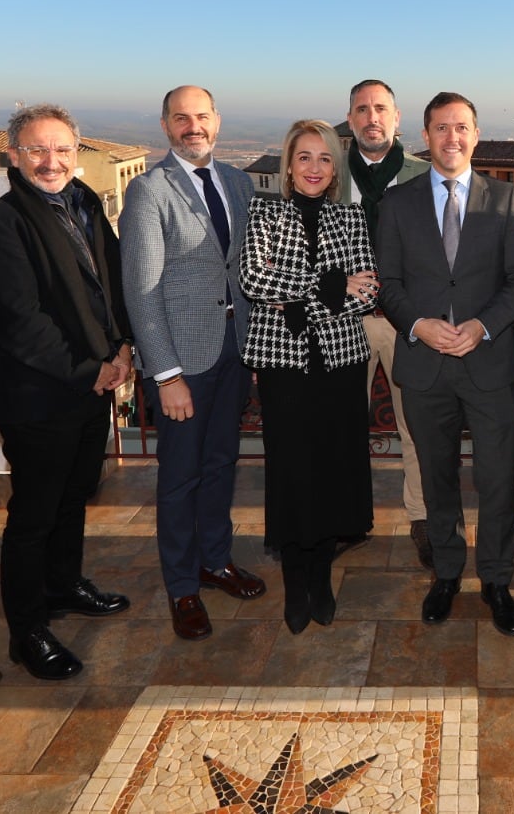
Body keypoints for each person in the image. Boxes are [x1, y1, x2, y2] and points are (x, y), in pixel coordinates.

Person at [0, 104, 133, 681]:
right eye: (37, 150)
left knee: (73, 496)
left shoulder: (85, 205)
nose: (51, 161)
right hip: (39, 397)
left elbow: (110, 286)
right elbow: (20, 321)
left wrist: (124, 349)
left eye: (62, 149)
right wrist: (91, 368)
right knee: (33, 516)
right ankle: (27, 630)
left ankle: (64, 588)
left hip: (92, 386)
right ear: (13, 156)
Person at [375, 92, 514, 635]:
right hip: (424, 365)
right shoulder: (398, 203)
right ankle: (446, 573)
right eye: (441, 128)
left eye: (461, 127)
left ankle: (495, 579)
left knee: (497, 479)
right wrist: (418, 325)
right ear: (426, 135)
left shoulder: (502, 198)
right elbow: (389, 284)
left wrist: (483, 325)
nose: (452, 138)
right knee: (437, 476)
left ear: (476, 133)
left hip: (486, 363)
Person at [120, 85, 266, 643]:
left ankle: (216, 560)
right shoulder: (148, 192)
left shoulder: (238, 182)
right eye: (181, 119)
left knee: (222, 462)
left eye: (201, 117)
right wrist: (166, 374)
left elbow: (249, 267)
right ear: (165, 126)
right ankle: (182, 585)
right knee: (180, 477)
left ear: (217, 122)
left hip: (236, 350)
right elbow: (141, 291)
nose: (193, 127)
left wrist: (255, 349)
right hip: (184, 360)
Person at [241, 120, 377, 633]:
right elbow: (255, 279)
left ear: (334, 167)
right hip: (284, 368)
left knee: (332, 472)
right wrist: (332, 284)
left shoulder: (351, 216)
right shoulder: (264, 210)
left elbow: (366, 293)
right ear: (288, 165)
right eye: (304, 158)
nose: (315, 167)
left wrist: (298, 297)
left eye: (324, 158)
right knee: (292, 472)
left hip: (341, 366)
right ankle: (295, 582)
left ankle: (321, 575)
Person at [335, 79, 432, 569]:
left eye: (381, 109)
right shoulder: (328, 174)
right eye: (362, 110)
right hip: (342, 322)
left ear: (396, 118)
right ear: (350, 119)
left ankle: (422, 517)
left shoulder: (423, 175)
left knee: (417, 423)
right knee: (341, 424)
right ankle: (347, 518)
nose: (372, 118)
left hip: (404, 321)